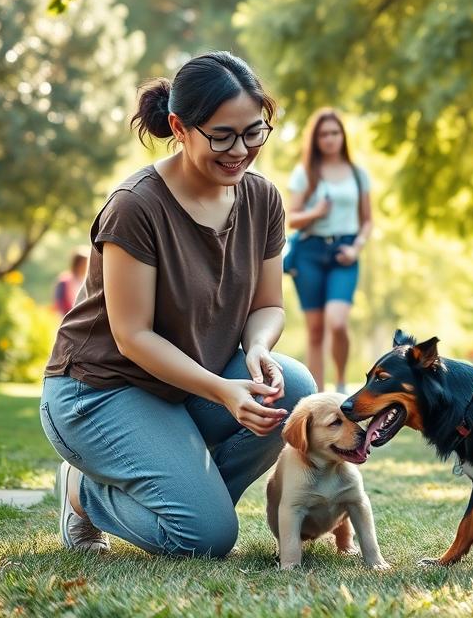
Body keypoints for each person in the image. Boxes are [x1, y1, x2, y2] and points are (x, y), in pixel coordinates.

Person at [39, 51, 316, 556]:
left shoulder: (263, 200)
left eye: (254, 131)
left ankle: (189, 500)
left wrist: (256, 348)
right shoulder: (136, 206)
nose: (241, 150)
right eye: (222, 135)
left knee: (293, 387)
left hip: (181, 387)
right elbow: (132, 335)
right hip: (99, 391)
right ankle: (83, 493)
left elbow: (269, 304)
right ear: (178, 126)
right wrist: (223, 391)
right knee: (205, 538)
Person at [286, 108, 372, 393]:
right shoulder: (305, 173)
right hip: (309, 252)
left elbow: (368, 220)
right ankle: (316, 395)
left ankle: (342, 383)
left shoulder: (358, 174)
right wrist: (317, 212)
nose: (330, 139)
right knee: (315, 331)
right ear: (316, 139)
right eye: (323, 134)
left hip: (344, 253)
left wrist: (356, 248)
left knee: (337, 323)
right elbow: (291, 218)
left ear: (342, 136)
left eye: (334, 132)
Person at [52, 247, 89, 316]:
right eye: (84, 263)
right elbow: (59, 302)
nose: (86, 265)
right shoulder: (64, 280)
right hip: (68, 317)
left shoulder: (87, 280)